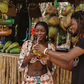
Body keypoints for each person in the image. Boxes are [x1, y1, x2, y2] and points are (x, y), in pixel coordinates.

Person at [33, 10, 84, 84]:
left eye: (72, 24)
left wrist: (45, 50)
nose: (71, 27)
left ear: (81, 23)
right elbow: (70, 66)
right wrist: (50, 58)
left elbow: (67, 57)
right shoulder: (80, 43)